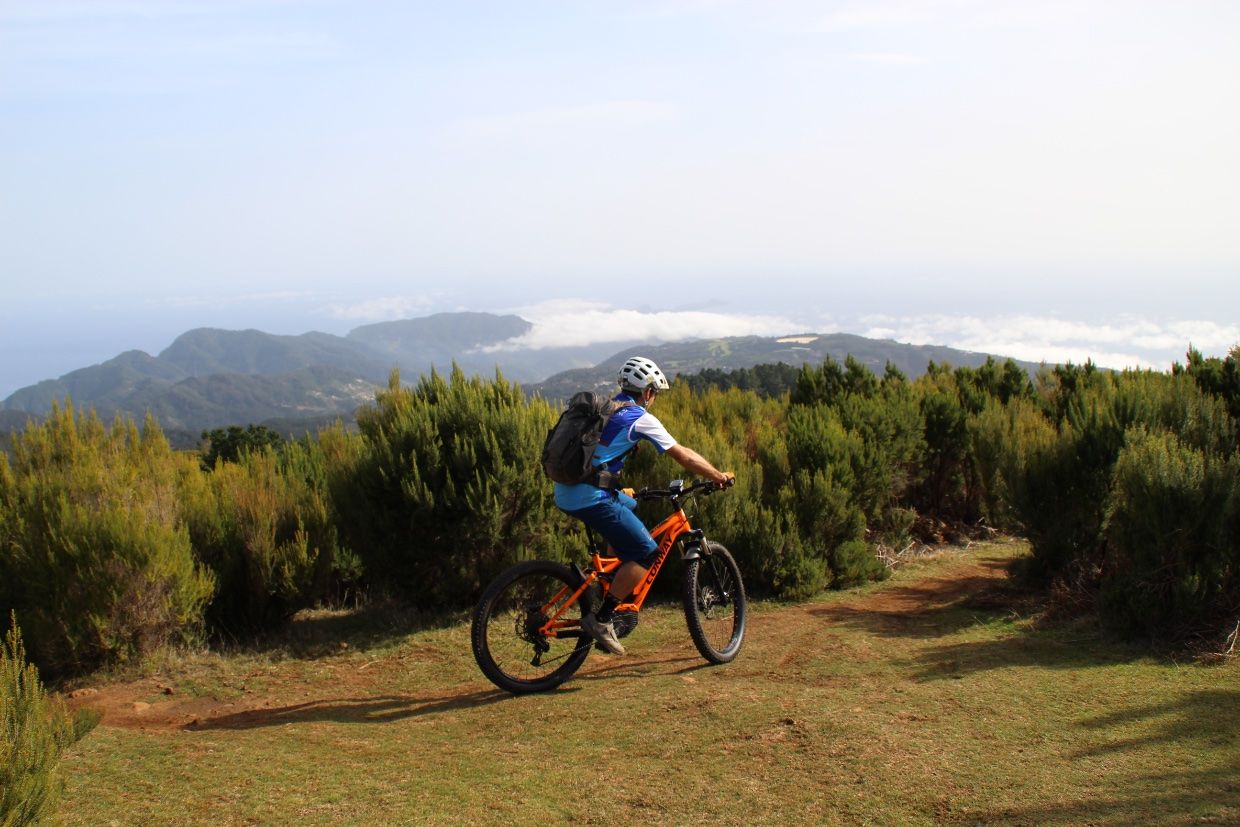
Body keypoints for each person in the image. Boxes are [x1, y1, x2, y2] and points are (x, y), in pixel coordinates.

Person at [553, 355, 733, 656]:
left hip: (567, 490)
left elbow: (598, 456)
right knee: (647, 552)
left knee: (630, 504)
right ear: (648, 391)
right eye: (655, 393)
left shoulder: (607, 409)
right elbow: (684, 455)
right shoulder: (639, 417)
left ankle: (610, 578)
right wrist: (717, 476)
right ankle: (604, 618)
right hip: (589, 497)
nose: (654, 399)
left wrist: (616, 487)